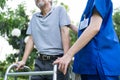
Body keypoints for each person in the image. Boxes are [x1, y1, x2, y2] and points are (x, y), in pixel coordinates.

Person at [53, 0, 120, 80]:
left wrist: (68, 55)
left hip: (100, 63)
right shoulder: (90, 3)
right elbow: (85, 33)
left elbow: (94, 28)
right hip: (88, 65)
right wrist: (70, 25)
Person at [16, 0, 77, 80]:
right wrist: (23, 60)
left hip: (57, 61)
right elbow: (31, 39)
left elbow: (65, 32)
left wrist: (66, 57)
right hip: (39, 62)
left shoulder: (59, 10)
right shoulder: (34, 17)